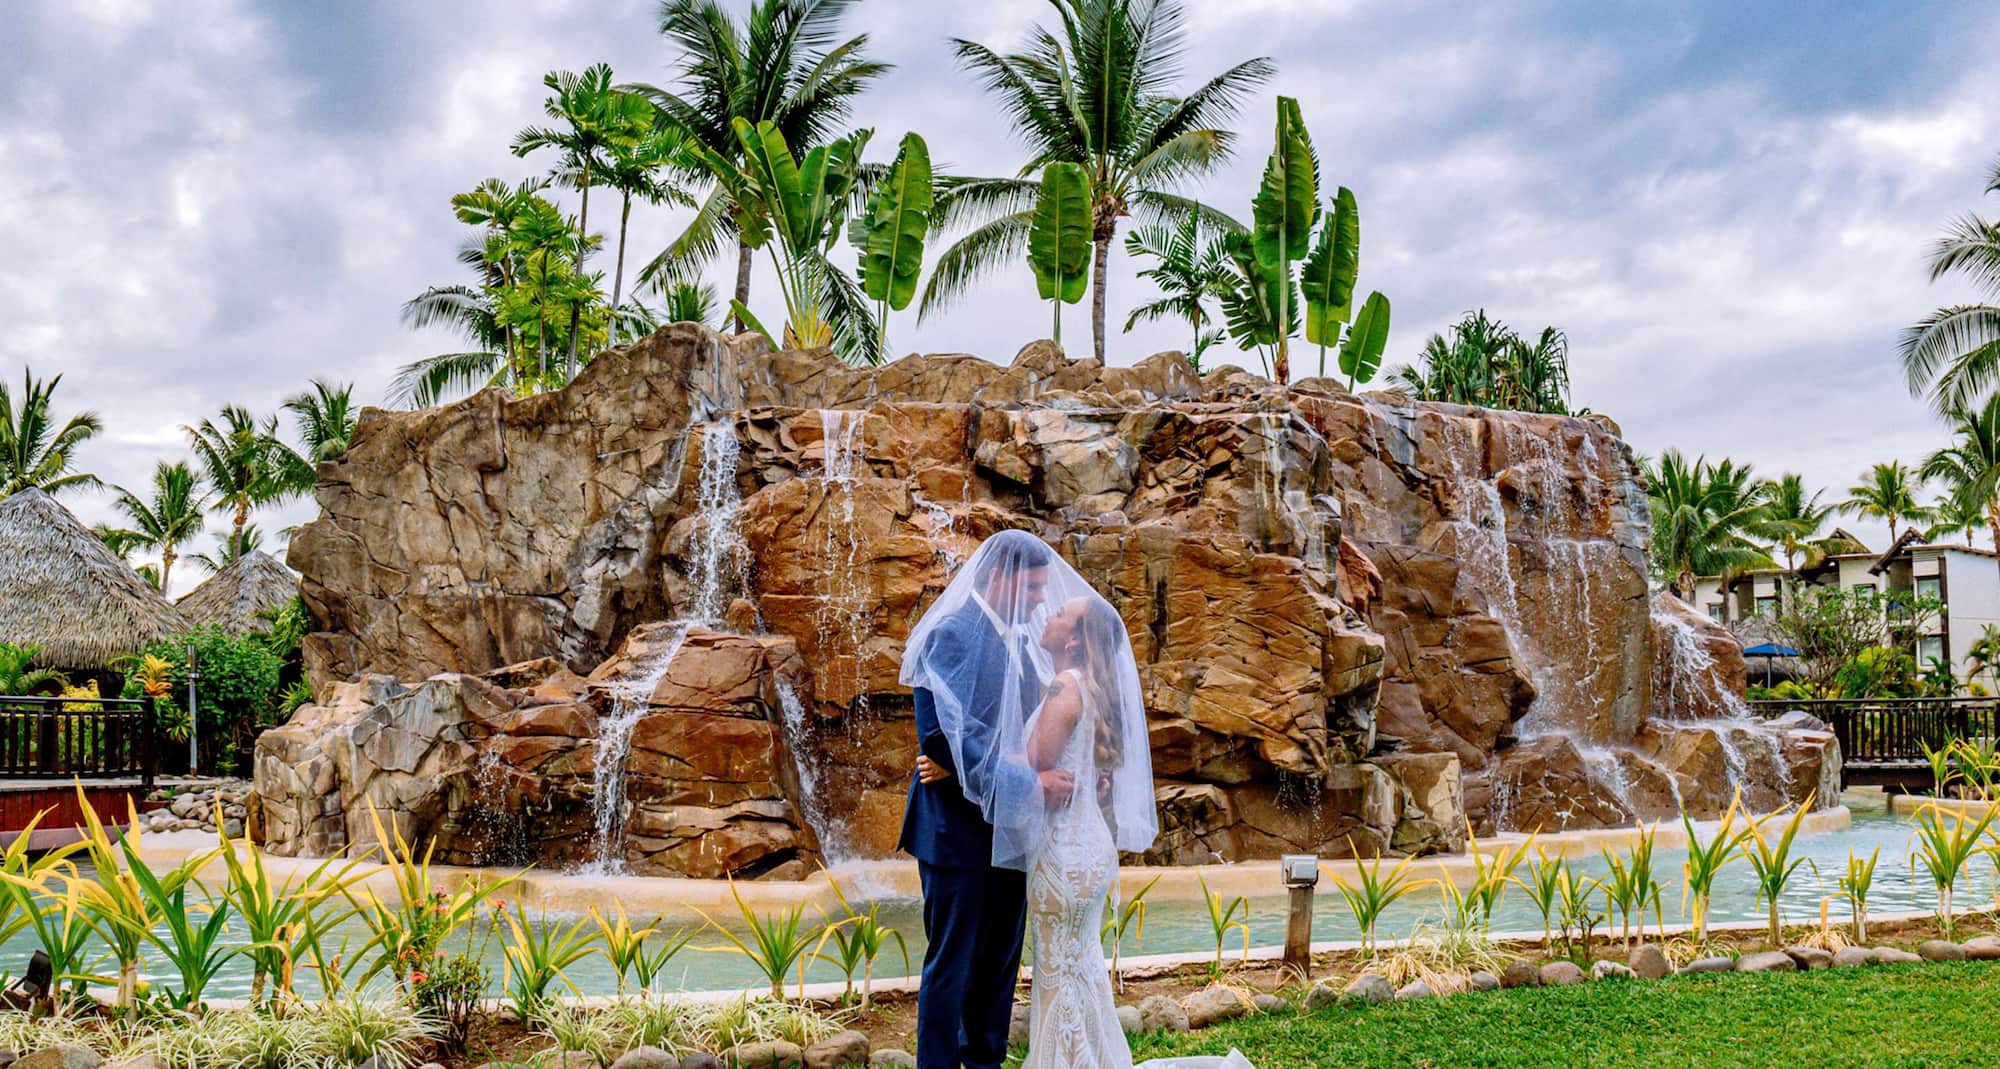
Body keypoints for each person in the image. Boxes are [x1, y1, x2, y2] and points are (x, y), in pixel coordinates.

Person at [904, 532, 1253, 1069]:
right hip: (958, 835)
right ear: (1000, 576)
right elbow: (939, 738)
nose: (1042, 599)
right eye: (1035, 586)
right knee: (951, 967)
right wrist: (1028, 783)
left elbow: (1032, 734)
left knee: (998, 969)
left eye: (1048, 590)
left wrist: (1079, 773)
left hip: (1020, 837)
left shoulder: (1022, 644)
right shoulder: (950, 634)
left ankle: (984, 1065)